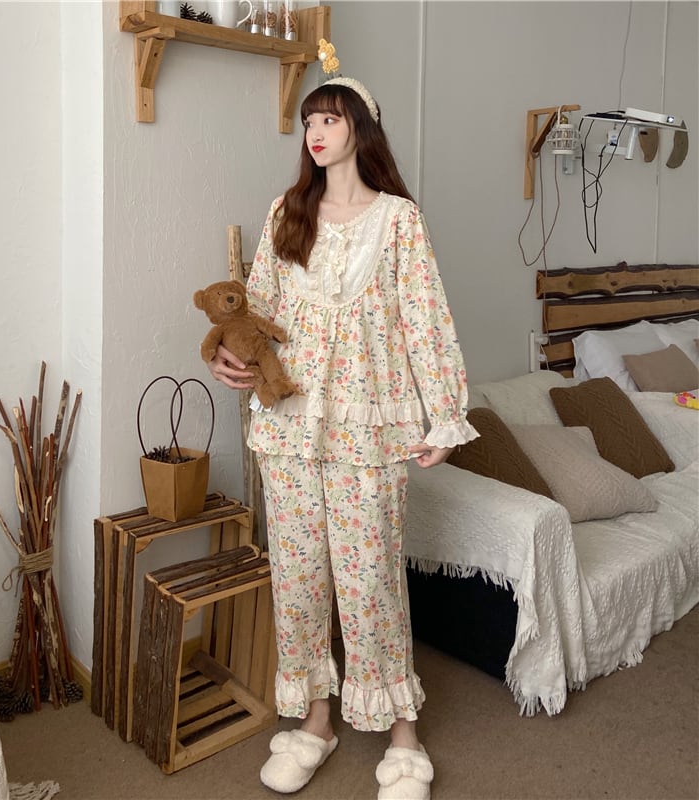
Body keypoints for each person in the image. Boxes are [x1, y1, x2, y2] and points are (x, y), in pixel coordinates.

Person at [206, 41, 478, 800]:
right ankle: (316, 721)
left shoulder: (399, 221)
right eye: (308, 122)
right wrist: (229, 356)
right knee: (297, 577)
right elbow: (258, 311)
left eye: (329, 119)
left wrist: (444, 417)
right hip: (290, 425)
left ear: (362, 126)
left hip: (368, 427)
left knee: (371, 580)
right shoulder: (285, 212)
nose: (316, 133)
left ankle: (402, 735)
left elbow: (425, 322)